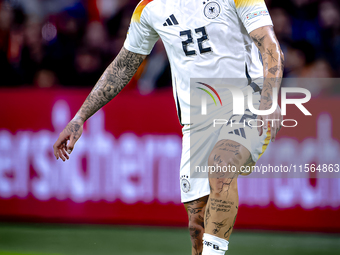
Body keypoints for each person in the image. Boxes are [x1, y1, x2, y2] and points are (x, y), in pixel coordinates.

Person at [53, 0, 284, 254]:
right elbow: (123, 66)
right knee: (197, 225)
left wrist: (269, 97)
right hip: (198, 122)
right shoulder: (149, 8)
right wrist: (80, 117)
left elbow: (269, 44)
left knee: (221, 166)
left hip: (248, 103)